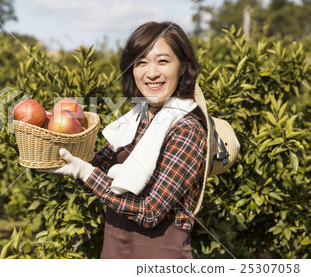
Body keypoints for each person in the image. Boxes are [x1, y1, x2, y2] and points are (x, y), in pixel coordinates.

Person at [38, 21, 209, 259]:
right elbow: (94, 176)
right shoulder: (134, 121)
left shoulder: (186, 129)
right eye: (141, 62)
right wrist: (59, 144)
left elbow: (150, 212)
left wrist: (84, 172)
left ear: (183, 67)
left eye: (163, 61)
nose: (151, 73)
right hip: (115, 249)